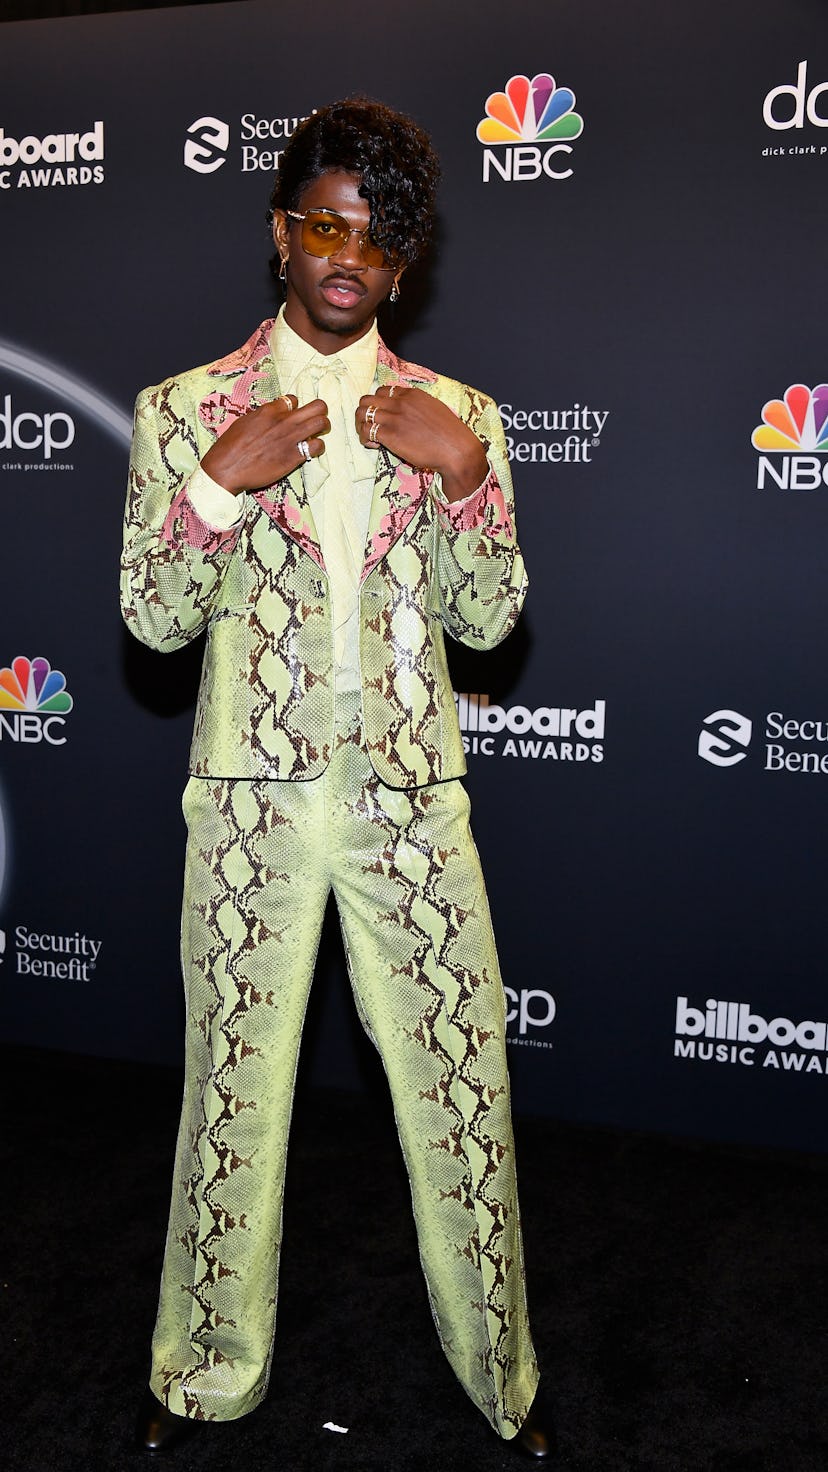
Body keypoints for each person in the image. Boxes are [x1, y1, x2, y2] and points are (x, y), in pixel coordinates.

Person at [121, 97, 549, 1461]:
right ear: (278, 233)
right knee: (230, 1099)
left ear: (405, 258)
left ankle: (506, 1386)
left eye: (378, 234)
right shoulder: (185, 410)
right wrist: (213, 489)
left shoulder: (461, 416)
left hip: (412, 811)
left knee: (466, 1090)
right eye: (322, 223)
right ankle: (201, 1376)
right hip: (249, 811)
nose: (347, 254)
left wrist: (472, 480)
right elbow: (150, 617)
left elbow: (491, 622)